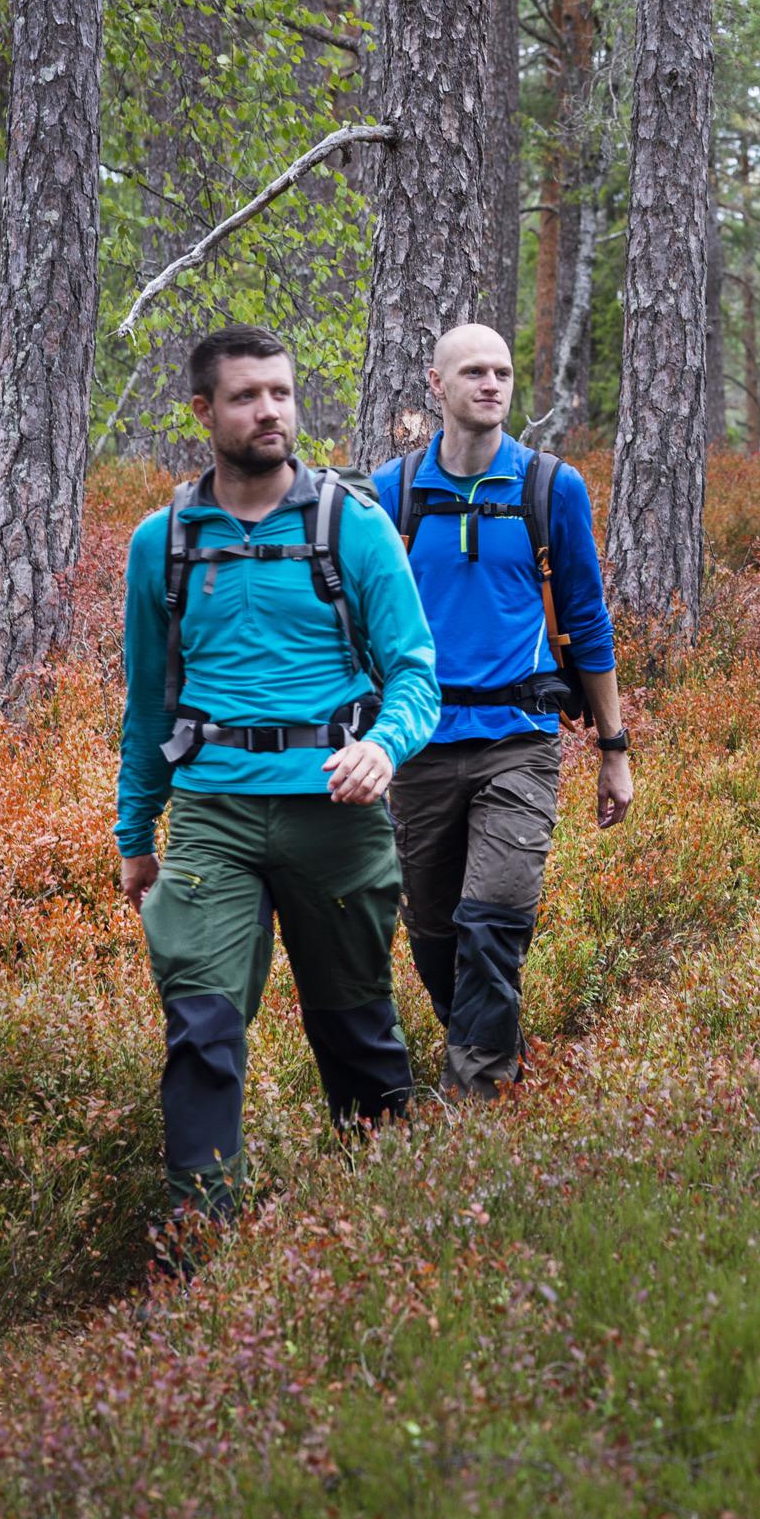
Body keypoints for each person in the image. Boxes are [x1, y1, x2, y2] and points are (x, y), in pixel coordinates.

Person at [114, 325, 440, 1230]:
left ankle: (392, 1219)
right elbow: (149, 703)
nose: (269, 411)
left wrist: (384, 746)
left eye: (281, 394)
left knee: (355, 1032)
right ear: (203, 412)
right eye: (247, 396)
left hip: (336, 815)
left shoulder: (352, 524)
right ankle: (202, 1245)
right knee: (202, 1030)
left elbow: (416, 670)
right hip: (212, 811)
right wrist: (134, 837)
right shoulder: (164, 541)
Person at [373, 322, 632, 1095]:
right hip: (415, 745)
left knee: (492, 925)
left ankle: (474, 1110)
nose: (491, 385)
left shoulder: (551, 487)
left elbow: (587, 620)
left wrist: (613, 748)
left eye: (504, 373)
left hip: (518, 742)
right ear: (436, 384)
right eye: (474, 372)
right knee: (433, 938)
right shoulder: (391, 493)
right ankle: (499, 1059)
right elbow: (363, 620)